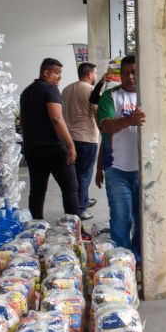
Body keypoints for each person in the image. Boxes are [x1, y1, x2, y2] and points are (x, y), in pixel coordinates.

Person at [96, 55, 145, 258]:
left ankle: (140, 260)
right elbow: (105, 126)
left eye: (134, 72)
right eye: (126, 73)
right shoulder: (111, 96)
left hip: (145, 172)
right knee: (121, 218)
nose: (130, 77)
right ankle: (122, 262)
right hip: (117, 170)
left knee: (143, 220)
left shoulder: (149, 96)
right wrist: (99, 167)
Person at [19, 58, 79, 219]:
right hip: (54, 148)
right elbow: (56, 118)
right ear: (46, 73)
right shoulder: (51, 90)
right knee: (70, 187)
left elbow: (23, 123)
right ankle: (74, 228)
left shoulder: (26, 92)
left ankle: (35, 227)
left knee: (37, 190)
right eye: (57, 73)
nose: (59, 77)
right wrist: (70, 145)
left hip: (33, 148)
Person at [62, 62, 101, 220]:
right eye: (95, 73)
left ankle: (80, 201)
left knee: (74, 175)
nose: (96, 76)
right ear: (90, 74)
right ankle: (81, 208)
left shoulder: (66, 90)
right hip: (87, 138)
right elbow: (97, 112)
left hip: (69, 139)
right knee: (84, 175)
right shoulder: (91, 90)